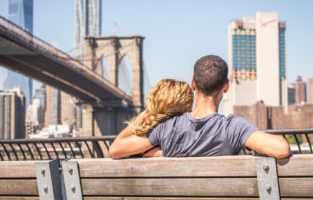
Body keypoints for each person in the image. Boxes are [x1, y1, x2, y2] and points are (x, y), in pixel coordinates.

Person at [109, 55, 290, 159]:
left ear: (193, 84)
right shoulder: (233, 127)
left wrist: (148, 114)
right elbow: (281, 149)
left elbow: (115, 150)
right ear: (226, 86)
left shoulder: (167, 127)